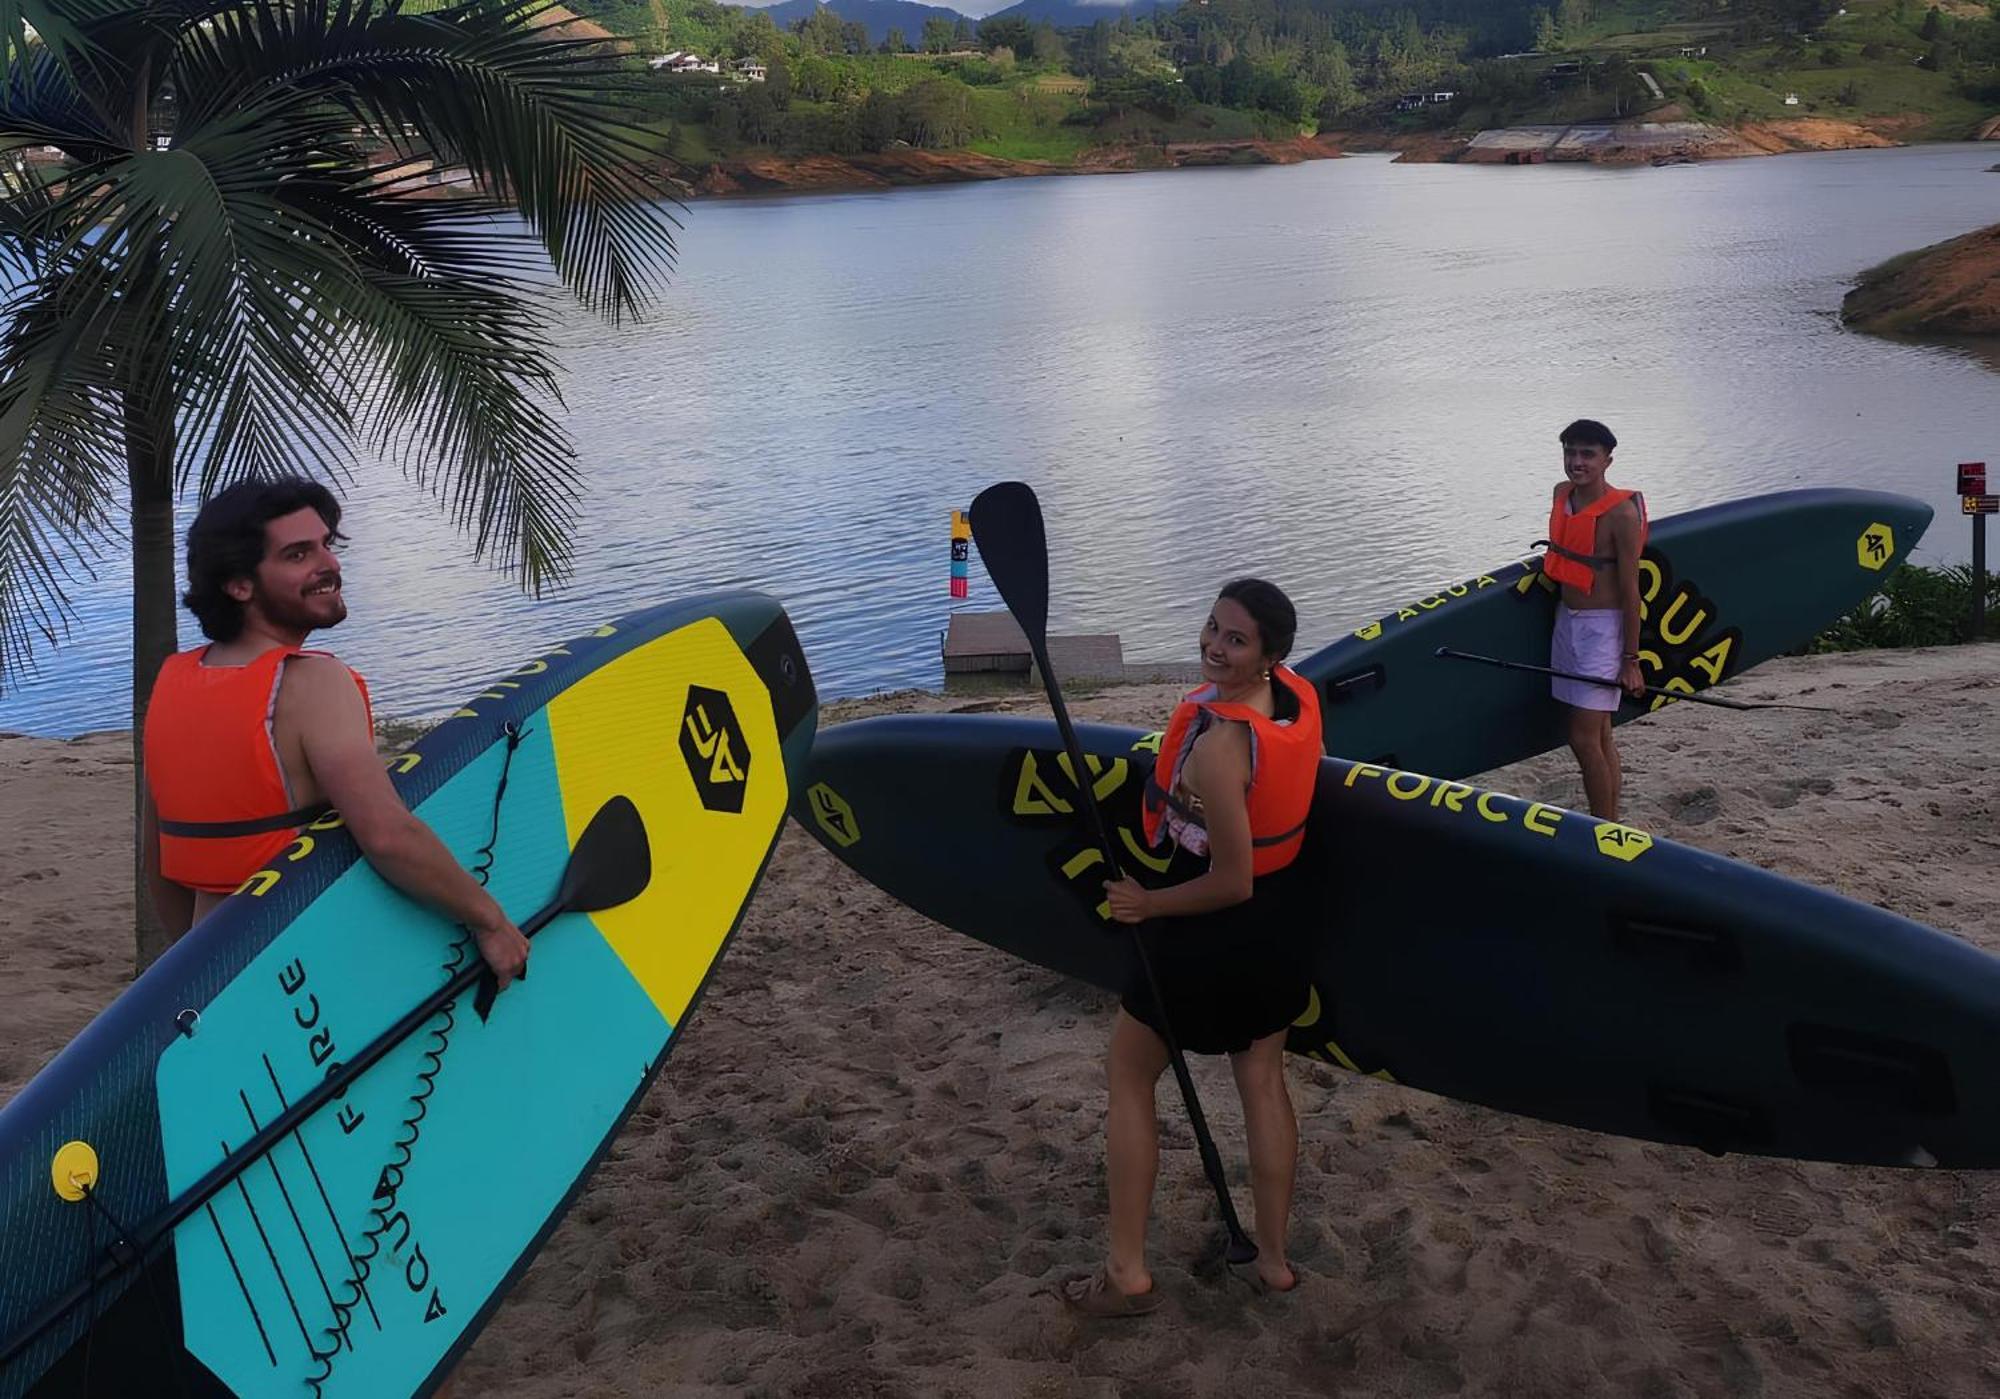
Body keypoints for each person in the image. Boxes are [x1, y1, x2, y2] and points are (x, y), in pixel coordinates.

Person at [140, 476, 529, 991]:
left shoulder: (174, 683)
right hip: (312, 966)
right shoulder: (311, 683)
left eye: (327, 544)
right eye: (298, 554)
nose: (329, 565)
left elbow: (161, 860)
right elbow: (389, 836)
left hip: (219, 968)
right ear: (239, 585)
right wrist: (491, 920)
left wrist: (194, 970)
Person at [1062, 578, 1323, 1317]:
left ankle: (1126, 1273)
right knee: (1262, 1076)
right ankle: (1271, 1262)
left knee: (1128, 1069)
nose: (1214, 644)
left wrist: (1148, 902)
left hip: (1219, 926)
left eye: (1235, 639)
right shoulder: (1297, 696)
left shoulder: (1219, 746)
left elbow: (1230, 880)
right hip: (1285, 916)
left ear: (1268, 654)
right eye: (1212, 627)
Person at [1542, 419, 1647, 821]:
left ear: (1608, 460)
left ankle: (1604, 830)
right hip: (1566, 622)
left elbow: (1630, 591)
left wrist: (1630, 659)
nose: (1577, 462)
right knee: (1600, 735)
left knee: (1582, 738)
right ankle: (1612, 819)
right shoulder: (1562, 495)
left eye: (1588, 454)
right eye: (1570, 452)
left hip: (1603, 631)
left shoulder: (1621, 515)